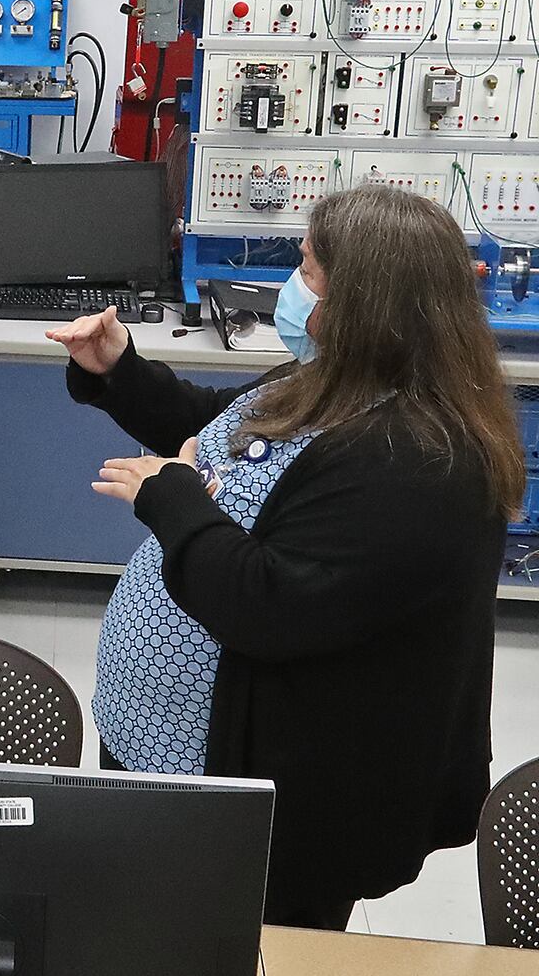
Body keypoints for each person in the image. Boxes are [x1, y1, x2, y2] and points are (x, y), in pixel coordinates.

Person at [48, 185, 521, 929]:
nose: (289, 288)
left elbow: (268, 605)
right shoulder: (333, 378)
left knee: (243, 945)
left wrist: (171, 500)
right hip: (167, 759)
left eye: (307, 268)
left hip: (282, 801)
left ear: (364, 302)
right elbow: (218, 422)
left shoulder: (420, 460)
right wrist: (119, 369)